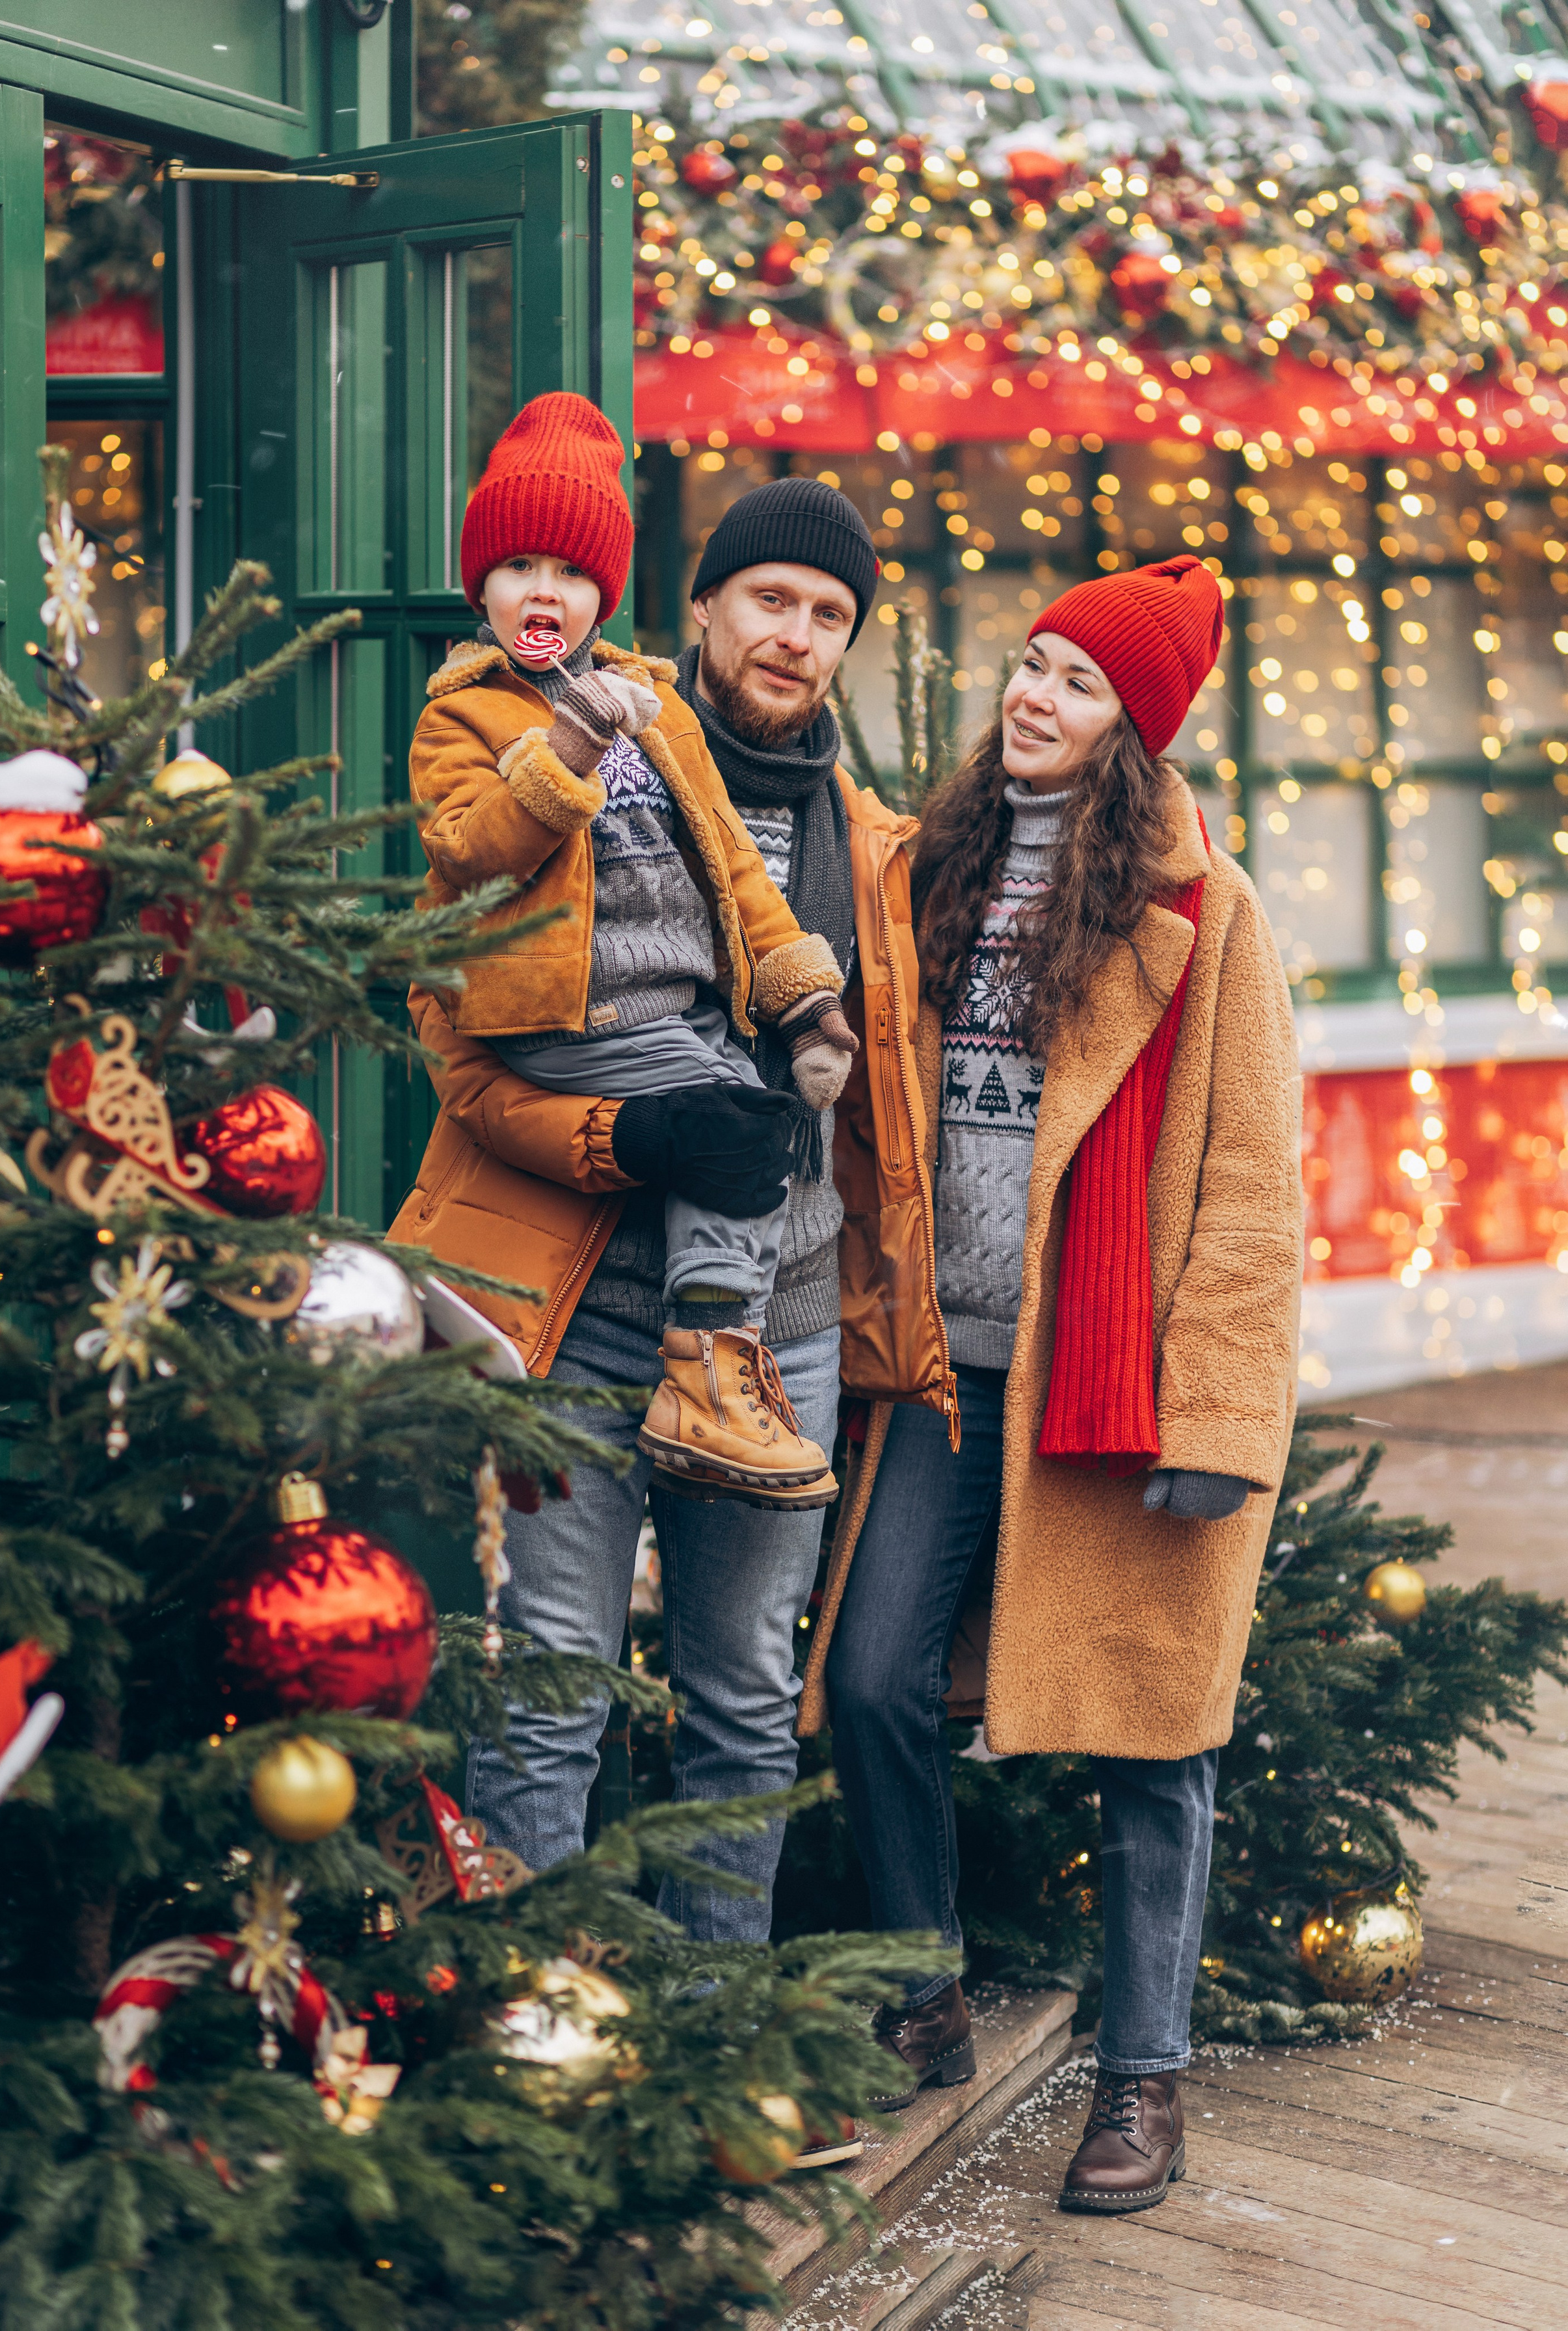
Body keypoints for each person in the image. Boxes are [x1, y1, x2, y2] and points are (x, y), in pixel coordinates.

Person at [797, 555, 1303, 2215]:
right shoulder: (918, 866)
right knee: (868, 1680)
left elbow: (1246, 1188)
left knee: (1149, 1738)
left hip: (1111, 1381)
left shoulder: (1199, 914)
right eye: (1028, 665)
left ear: (1130, 728)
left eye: (1077, 682)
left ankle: (1141, 2080)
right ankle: (926, 1982)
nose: (1032, 695)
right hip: (943, 1366)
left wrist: (1222, 1426)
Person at [388, 457, 917, 1956]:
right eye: (768, 597)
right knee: (553, 1684)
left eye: (828, 612)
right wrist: (637, 1135)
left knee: (746, 1703)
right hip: (575, 1303)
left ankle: (712, 2046)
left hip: (782, 1327)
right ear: (694, 610)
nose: (795, 633)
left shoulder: (868, 849)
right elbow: (473, 1076)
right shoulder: (546, 753)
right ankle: (537, 2034)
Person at [421, 394, 857, 1503]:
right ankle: (709, 1366)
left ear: (602, 595)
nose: (544, 591)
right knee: (730, 1125)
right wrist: (567, 745)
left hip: (665, 1015)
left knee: (745, 1119)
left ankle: (712, 1358)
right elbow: (470, 851)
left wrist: (805, 999)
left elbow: (734, 872)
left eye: (569, 573)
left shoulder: (652, 704)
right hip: (565, 1020)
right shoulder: (463, 716)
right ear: (482, 590)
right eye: (518, 566)